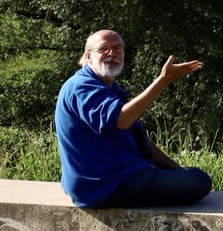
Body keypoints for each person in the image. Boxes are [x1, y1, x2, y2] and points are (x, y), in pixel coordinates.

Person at [55, 29, 212, 208]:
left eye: (117, 48)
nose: (112, 54)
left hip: (122, 175)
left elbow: (141, 144)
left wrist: (178, 169)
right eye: (103, 49)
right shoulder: (82, 87)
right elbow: (121, 120)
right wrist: (163, 80)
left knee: (191, 175)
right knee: (200, 181)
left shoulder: (110, 88)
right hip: (104, 186)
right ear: (88, 57)